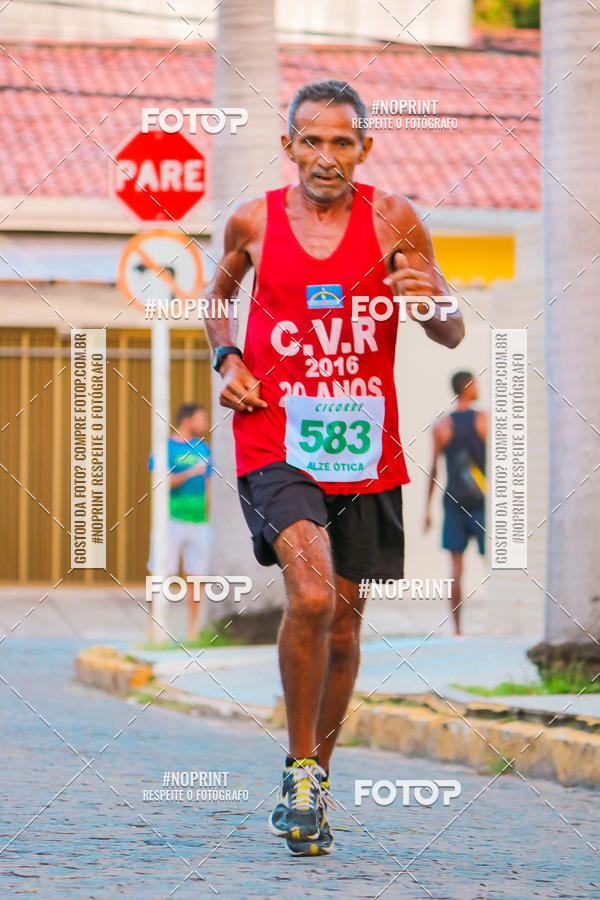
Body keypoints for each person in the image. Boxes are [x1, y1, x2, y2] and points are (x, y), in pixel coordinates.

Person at [204, 79, 464, 856]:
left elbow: (448, 328)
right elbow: (217, 298)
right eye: (310, 141)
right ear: (288, 146)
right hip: (275, 435)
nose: (325, 156)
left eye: (341, 142)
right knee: (311, 592)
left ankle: (317, 781)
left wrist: (429, 306)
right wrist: (228, 355)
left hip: (363, 443)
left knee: (346, 631)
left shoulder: (396, 219)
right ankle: (296, 767)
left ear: (364, 149)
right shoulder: (250, 221)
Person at [424, 372, 487, 636]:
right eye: (476, 382)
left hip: (453, 501)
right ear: (467, 387)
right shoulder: (483, 420)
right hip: (481, 502)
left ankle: (458, 630)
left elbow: (433, 470)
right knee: (493, 560)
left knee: (456, 569)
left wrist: (426, 510)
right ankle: (501, 621)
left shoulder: (441, 425)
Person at [148, 403, 212, 642]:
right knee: (161, 575)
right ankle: (153, 631)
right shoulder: (165, 449)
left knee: (197, 577)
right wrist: (190, 472)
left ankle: (193, 632)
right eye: (201, 418)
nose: (205, 424)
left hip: (199, 522)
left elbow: (208, 486)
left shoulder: (204, 449)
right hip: (171, 521)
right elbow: (162, 482)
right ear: (187, 420)